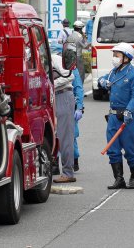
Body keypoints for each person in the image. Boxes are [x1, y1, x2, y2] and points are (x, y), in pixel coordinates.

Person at [98, 43, 134, 189]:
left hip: (128, 117)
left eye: (117, 55)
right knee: (112, 149)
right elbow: (104, 79)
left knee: (130, 148)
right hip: (113, 117)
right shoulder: (114, 72)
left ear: (126, 57)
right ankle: (119, 179)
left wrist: (129, 110)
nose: (114, 58)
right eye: (114, 55)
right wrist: (102, 81)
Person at [51, 54, 77, 183]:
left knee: (65, 136)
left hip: (62, 95)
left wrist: (50, 84)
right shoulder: (29, 58)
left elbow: (70, 76)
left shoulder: (54, 58)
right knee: (52, 136)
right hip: (48, 97)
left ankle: (68, 172)